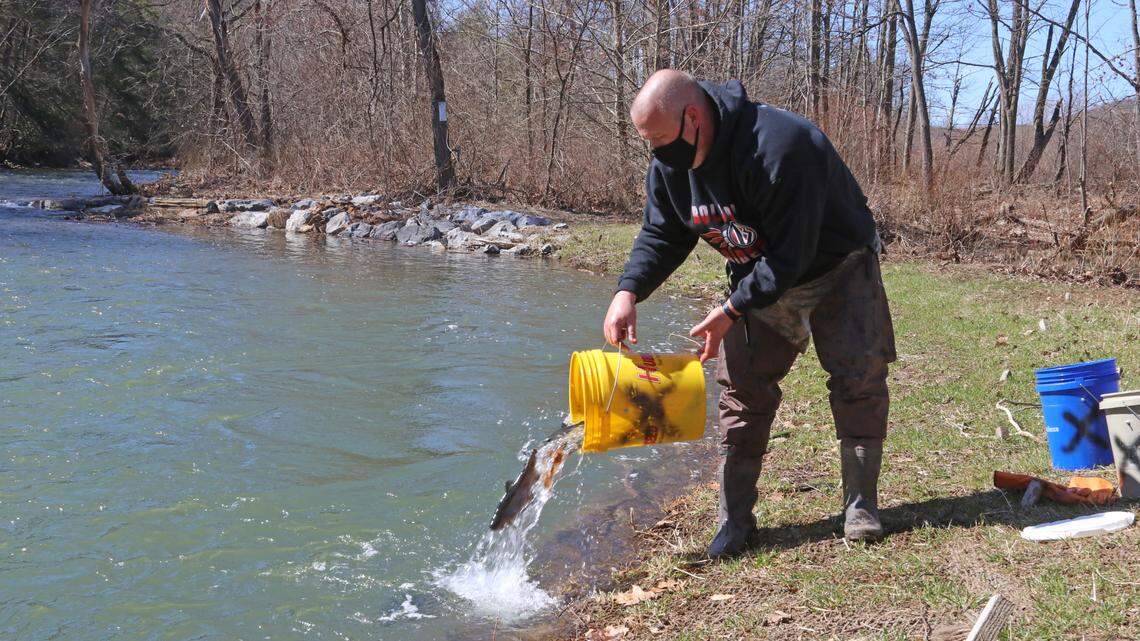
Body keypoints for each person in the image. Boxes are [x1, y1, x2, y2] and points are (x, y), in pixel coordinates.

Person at [602, 69, 896, 558]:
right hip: (760, 274)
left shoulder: (783, 146)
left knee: (858, 378)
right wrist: (628, 291)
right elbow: (662, 234)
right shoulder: (670, 164)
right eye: (646, 142)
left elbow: (791, 255)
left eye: (658, 139)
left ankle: (861, 505)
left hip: (838, 266)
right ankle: (735, 521)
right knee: (741, 392)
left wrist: (731, 308)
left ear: (693, 117)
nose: (655, 153)